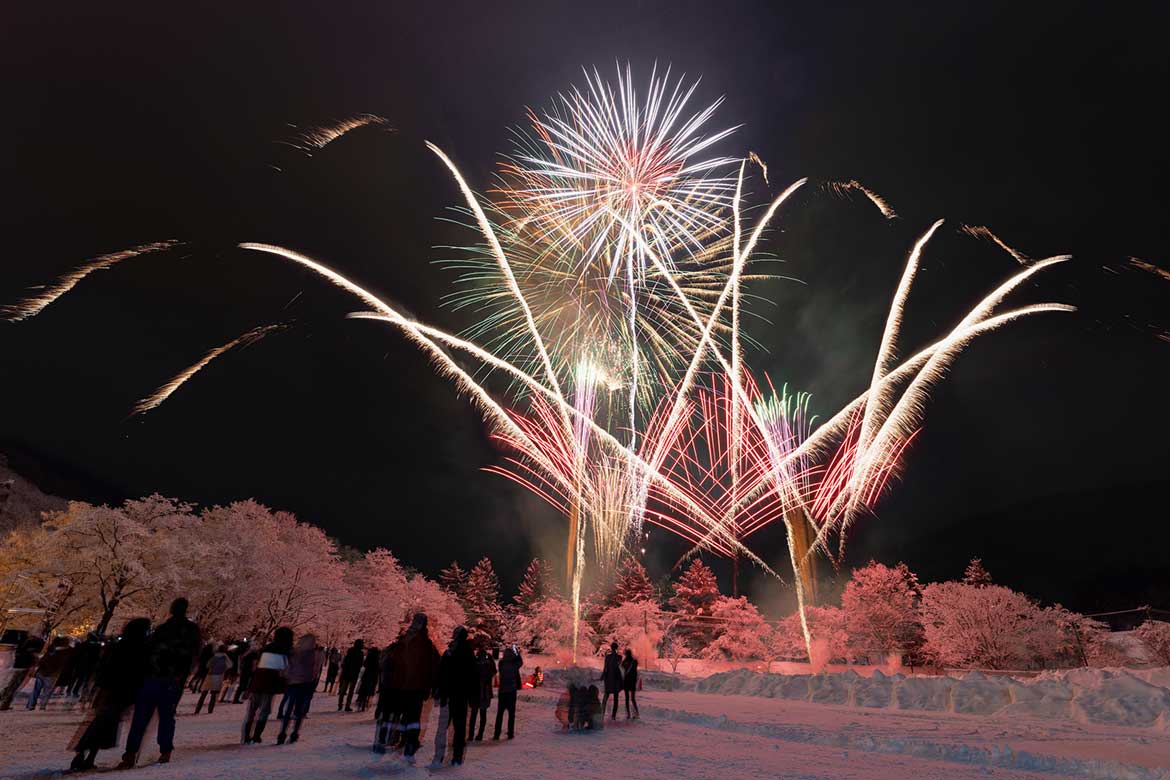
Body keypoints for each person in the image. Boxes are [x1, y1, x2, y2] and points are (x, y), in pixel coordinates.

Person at [118, 597, 201, 768]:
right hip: (173, 680)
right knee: (167, 716)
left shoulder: (162, 629)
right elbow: (193, 655)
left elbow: (148, 651)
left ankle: (130, 753)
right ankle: (165, 751)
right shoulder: (192, 630)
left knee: (141, 717)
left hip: (152, 676)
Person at [66, 618, 150, 771]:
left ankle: (83, 754)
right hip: (123, 690)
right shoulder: (141, 649)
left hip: (108, 688)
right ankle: (87, 756)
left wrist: (97, 686)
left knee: (100, 721)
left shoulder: (117, 646)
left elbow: (104, 666)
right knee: (106, 724)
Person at [389, 613, 439, 763]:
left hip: (404, 685)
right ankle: (410, 742)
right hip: (418, 687)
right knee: (414, 716)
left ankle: (404, 740)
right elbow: (434, 665)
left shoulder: (405, 640)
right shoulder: (426, 644)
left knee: (405, 714)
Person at [430, 626, 477, 768]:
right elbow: (473, 676)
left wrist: (438, 689)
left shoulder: (450, 652)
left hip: (450, 694)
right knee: (459, 728)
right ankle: (456, 757)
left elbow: (441, 672)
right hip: (459, 695)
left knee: (444, 727)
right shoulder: (467, 653)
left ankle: (439, 757)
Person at [241, 627, 293, 744]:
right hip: (271, 683)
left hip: (258, 680)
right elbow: (285, 669)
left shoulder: (267, 648)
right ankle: (256, 736)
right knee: (264, 710)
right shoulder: (285, 650)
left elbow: (257, 666)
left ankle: (246, 736)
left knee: (252, 710)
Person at [277, 633, 323, 745]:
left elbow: (286, 667)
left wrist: (287, 677)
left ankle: (282, 733)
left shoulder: (294, 652)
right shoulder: (314, 655)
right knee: (299, 710)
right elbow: (315, 671)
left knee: (289, 709)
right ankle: (295, 733)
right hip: (306, 684)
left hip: (293, 683)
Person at [26, 637, 73, 710]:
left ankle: (31, 705)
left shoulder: (51, 650)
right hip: (53, 675)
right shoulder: (67, 653)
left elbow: (42, 660)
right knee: (47, 692)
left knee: (36, 690)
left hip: (42, 672)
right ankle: (42, 706)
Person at [372, 641, 399, 754]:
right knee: (391, 716)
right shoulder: (394, 661)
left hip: (388, 689)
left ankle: (383, 738)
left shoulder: (387, 659)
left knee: (387, 716)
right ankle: (386, 738)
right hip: (393, 690)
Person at [493, 644, 522, 740]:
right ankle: (510, 733)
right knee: (511, 714)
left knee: (500, 713)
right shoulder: (514, 665)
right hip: (511, 691)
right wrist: (516, 651)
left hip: (502, 691)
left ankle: (497, 733)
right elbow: (520, 662)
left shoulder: (501, 664)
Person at [0, 638, 39, 710]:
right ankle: (4, 704)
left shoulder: (20, 648)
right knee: (13, 688)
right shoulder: (31, 652)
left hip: (16, 668)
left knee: (9, 686)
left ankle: (3, 702)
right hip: (22, 670)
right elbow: (33, 663)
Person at [467, 645, 495, 741]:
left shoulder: (475, 662)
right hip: (485, 692)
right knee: (483, 714)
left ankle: (471, 735)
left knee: (473, 715)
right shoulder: (488, 663)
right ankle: (480, 734)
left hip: (475, 692)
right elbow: (493, 672)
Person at [193, 645, 229, 714]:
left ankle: (197, 709)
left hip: (210, 675)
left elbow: (207, 665)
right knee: (213, 695)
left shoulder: (214, 656)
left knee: (204, 694)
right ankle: (210, 710)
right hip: (218, 676)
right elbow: (230, 665)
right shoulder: (225, 657)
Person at [337, 639, 364, 712]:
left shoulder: (350, 651)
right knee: (350, 691)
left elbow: (345, 661)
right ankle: (347, 706)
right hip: (354, 674)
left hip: (346, 673)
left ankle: (340, 705)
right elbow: (360, 664)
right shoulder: (360, 653)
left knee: (343, 690)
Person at [600, 641, 622, 720]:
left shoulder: (608, 657)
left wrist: (603, 676)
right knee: (615, 698)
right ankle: (613, 716)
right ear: (616, 648)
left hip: (609, 678)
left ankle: (602, 713)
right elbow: (618, 665)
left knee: (606, 696)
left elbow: (605, 668)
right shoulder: (619, 657)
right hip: (615, 678)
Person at [356, 645, 381, 712]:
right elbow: (379, 668)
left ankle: (360, 703)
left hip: (367, 675)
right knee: (370, 691)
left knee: (364, 690)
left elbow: (364, 664)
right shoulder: (378, 659)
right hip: (373, 676)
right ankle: (366, 704)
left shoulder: (369, 657)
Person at [621, 648, 639, 719]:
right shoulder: (634, 661)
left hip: (626, 681)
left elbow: (622, 668)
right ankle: (636, 713)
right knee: (633, 698)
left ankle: (628, 714)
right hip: (632, 682)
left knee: (627, 699)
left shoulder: (624, 662)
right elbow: (635, 672)